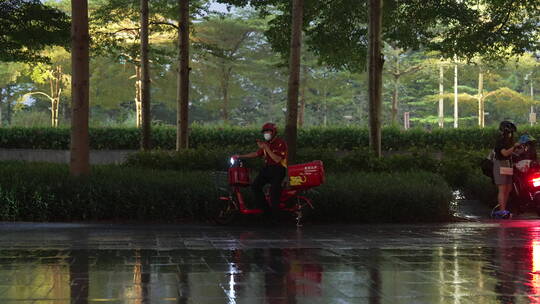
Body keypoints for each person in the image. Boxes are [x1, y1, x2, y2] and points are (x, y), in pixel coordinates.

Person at [235, 123, 288, 219]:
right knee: (255, 186)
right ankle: (266, 211)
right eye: (265, 132)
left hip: (278, 169)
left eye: (268, 131)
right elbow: (256, 154)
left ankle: (276, 219)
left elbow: (277, 159)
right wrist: (240, 156)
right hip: (267, 169)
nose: (266, 134)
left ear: (274, 132)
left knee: (274, 192)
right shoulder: (266, 144)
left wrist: (266, 148)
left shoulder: (281, 143)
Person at [492, 121, 521, 219]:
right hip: (500, 164)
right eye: (509, 132)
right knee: (502, 188)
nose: (510, 135)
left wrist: (519, 150)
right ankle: (502, 211)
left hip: (508, 164)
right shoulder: (500, 141)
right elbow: (504, 153)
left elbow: (511, 153)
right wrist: (514, 147)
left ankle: (504, 209)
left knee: (508, 189)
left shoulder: (509, 141)